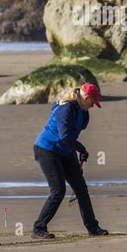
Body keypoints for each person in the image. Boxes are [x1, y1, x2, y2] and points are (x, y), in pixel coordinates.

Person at [31, 82, 109, 239]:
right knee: (58, 190)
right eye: (92, 102)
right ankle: (39, 228)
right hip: (47, 149)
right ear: (86, 98)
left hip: (66, 151)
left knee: (81, 188)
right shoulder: (66, 109)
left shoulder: (84, 113)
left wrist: (79, 151)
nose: (93, 106)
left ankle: (93, 228)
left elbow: (71, 138)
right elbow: (65, 136)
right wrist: (80, 148)